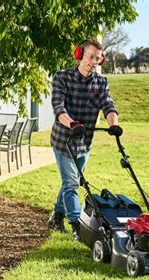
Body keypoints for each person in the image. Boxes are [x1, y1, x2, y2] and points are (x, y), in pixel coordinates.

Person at [47, 39, 122, 241]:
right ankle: (77, 228)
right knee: (71, 184)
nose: (93, 62)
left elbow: (108, 105)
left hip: (85, 142)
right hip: (64, 140)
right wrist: (71, 123)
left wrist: (113, 124)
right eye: (90, 57)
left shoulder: (100, 82)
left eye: (97, 59)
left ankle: (56, 216)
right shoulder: (62, 77)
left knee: (71, 182)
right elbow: (58, 108)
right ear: (79, 54)